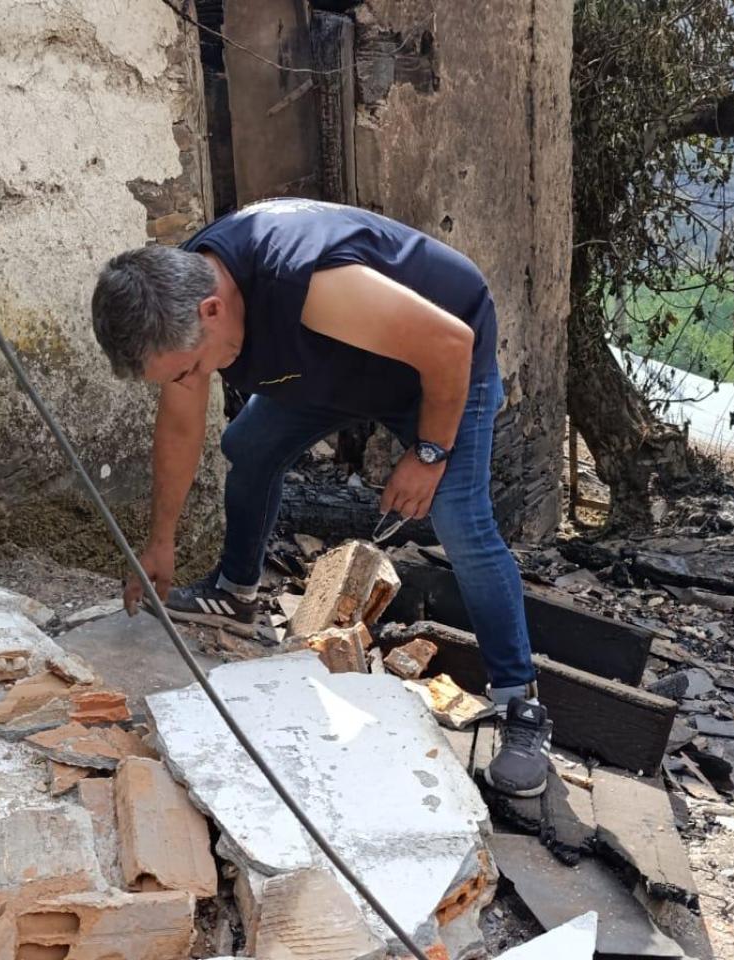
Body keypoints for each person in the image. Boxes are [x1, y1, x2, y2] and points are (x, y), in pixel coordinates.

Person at [89, 198, 550, 797]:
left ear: (212, 311)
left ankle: (521, 704)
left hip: (435, 364)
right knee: (248, 444)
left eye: (189, 369)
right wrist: (160, 543)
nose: (189, 382)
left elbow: (450, 343)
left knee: (459, 518)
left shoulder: (304, 279)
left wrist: (431, 452)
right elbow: (179, 429)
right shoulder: (184, 300)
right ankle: (236, 592)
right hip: (334, 365)